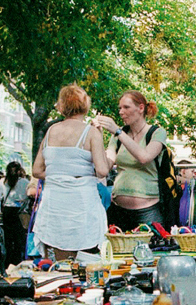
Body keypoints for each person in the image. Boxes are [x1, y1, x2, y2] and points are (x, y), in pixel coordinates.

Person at [31, 84, 110, 260]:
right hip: (82, 202)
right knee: (86, 260)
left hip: (54, 202)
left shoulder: (51, 131)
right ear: (85, 105)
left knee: (58, 259)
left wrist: (59, 175)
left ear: (62, 106)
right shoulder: (90, 132)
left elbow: (36, 170)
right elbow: (102, 170)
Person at [96, 91, 166, 231]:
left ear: (141, 108)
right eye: (120, 108)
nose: (121, 112)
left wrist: (117, 131)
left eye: (126, 107)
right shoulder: (118, 136)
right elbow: (104, 168)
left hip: (148, 212)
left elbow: (144, 157)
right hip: (118, 211)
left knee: (151, 252)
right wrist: (97, 135)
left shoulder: (157, 132)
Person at [1, 162, 30, 266]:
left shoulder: (3, 182)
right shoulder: (25, 182)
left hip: (7, 212)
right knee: (19, 238)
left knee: (8, 239)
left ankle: (7, 262)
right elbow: (28, 197)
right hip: (19, 212)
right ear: (19, 171)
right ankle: (18, 261)